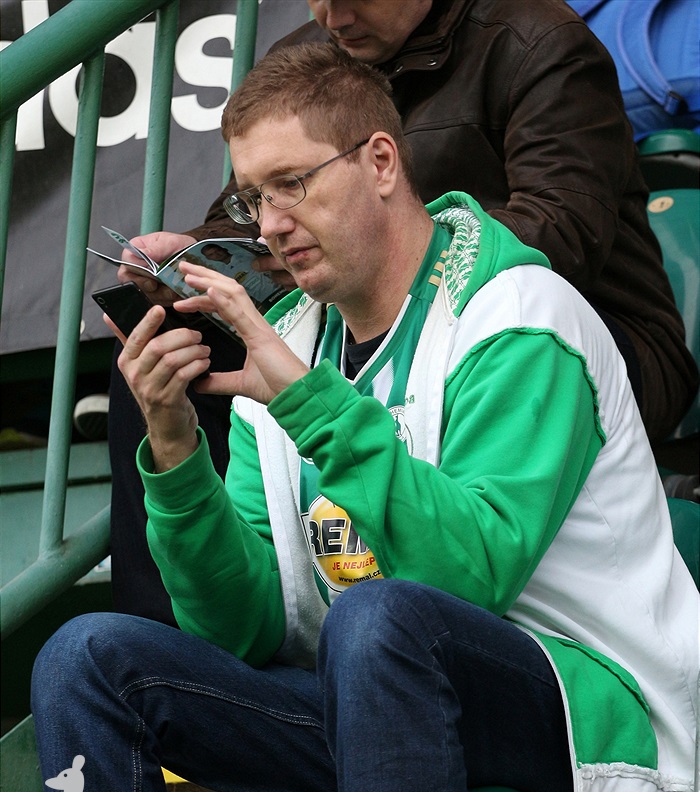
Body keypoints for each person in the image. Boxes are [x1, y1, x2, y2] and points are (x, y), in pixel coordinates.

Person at [32, 43, 697, 792]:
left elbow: (471, 575)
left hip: (575, 711)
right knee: (86, 658)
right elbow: (245, 630)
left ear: (381, 162)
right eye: (251, 198)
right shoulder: (288, 345)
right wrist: (178, 448)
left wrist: (313, 408)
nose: (268, 224)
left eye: (292, 184)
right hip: (374, 701)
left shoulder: (519, 315)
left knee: (382, 617)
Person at [109, 0, 698, 625]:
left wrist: (386, 263)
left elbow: (563, 228)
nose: (331, 14)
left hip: (575, 338)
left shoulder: (538, 40)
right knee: (166, 361)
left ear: (383, 160)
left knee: (378, 617)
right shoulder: (302, 58)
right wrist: (203, 255)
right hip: (366, 322)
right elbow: (247, 212)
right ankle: (176, 653)